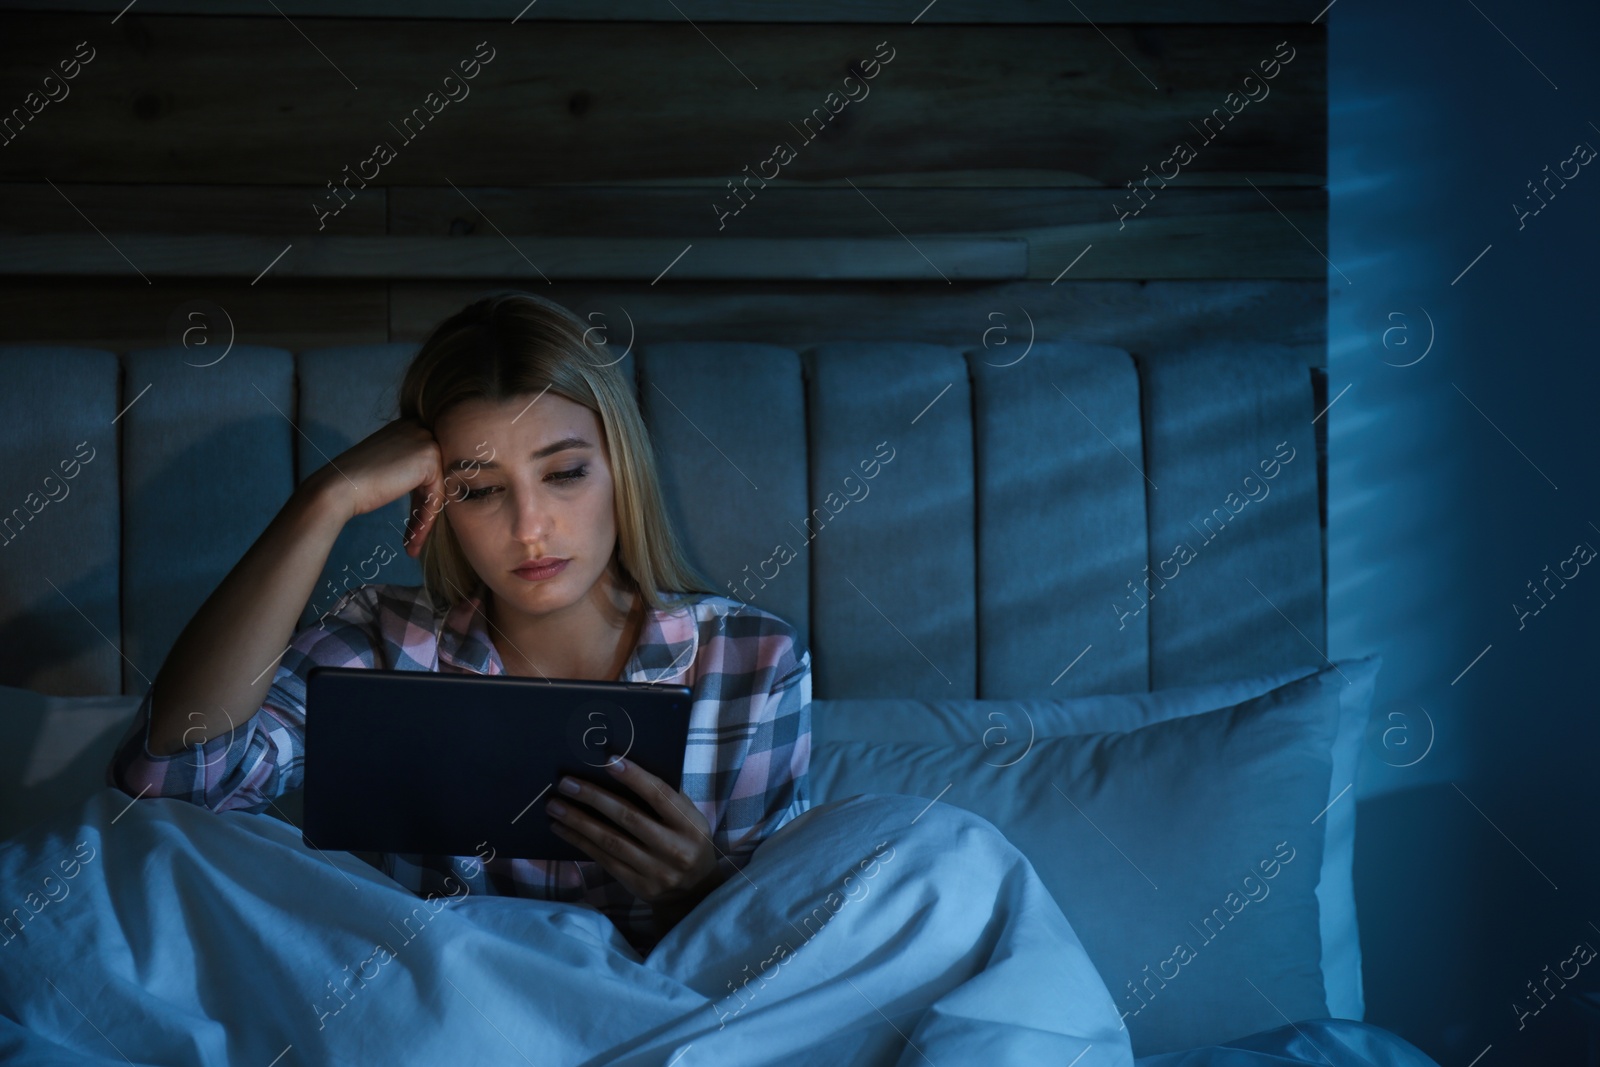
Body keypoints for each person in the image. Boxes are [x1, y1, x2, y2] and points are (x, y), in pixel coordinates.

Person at [105, 290, 812, 955]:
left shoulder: (750, 659)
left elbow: (785, 957)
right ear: (435, 499)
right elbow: (172, 787)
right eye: (478, 489)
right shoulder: (385, 639)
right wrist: (324, 500)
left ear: (621, 469)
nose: (531, 528)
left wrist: (700, 889)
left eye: (565, 473)